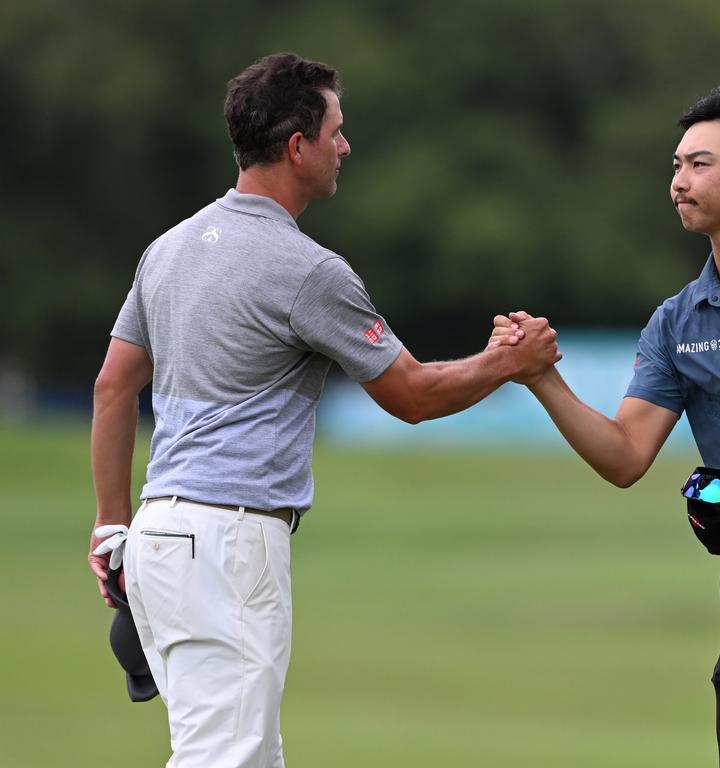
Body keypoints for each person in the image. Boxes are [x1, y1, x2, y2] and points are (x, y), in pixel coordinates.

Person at [87, 52, 559, 768]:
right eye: (335, 131)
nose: (345, 147)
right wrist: (507, 364)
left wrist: (111, 522)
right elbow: (411, 395)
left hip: (157, 536)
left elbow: (113, 386)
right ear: (296, 146)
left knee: (244, 755)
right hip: (229, 542)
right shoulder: (306, 270)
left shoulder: (169, 248)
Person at [493, 88, 720, 767]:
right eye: (676, 165)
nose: (678, 181)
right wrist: (541, 378)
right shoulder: (678, 320)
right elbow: (625, 456)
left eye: (699, 164)